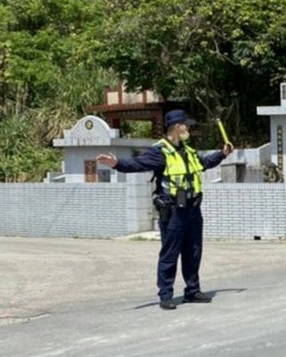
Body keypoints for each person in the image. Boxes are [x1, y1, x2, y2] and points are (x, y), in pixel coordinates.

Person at [96, 109, 233, 310]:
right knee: (170, 253)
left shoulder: (187, 150)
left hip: (193, 209)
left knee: (193, 251)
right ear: (177, 127)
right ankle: (166, 294)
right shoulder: (159, 152)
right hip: (173, 212)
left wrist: (222, 154)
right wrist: (117, 163)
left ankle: (192, 291)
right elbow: (136, 164)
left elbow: (203, 164)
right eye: (186, 125)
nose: (188, 128)